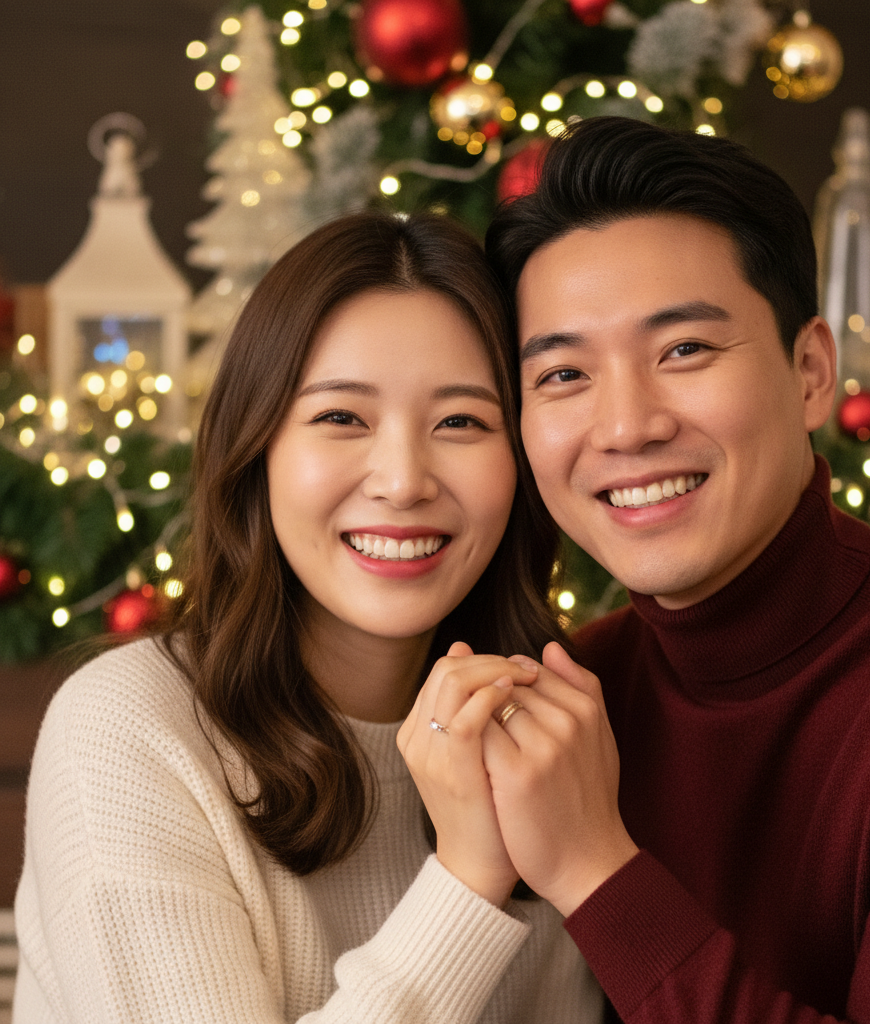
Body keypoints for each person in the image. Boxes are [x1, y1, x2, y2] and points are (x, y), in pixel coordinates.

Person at [464, 116, 870, 1023]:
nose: (626, 426)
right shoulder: (575, 700)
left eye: (683, 350)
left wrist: (595, 869)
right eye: (564, 375)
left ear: (810, 372)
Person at [13, 212, 602, 1023]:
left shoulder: (553, 734)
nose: (403, 481)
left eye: (461, 421)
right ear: (257, 449)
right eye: (341, 418)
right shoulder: (125, 730)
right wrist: (467, 879)